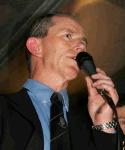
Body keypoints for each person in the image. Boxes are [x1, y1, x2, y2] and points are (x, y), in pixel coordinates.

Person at [0, 13, 119, 150]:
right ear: (35, 47)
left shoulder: (88, 124)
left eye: (84, 42)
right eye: (68, 36)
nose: (81, 46)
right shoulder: (4, 109)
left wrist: (104, 122)